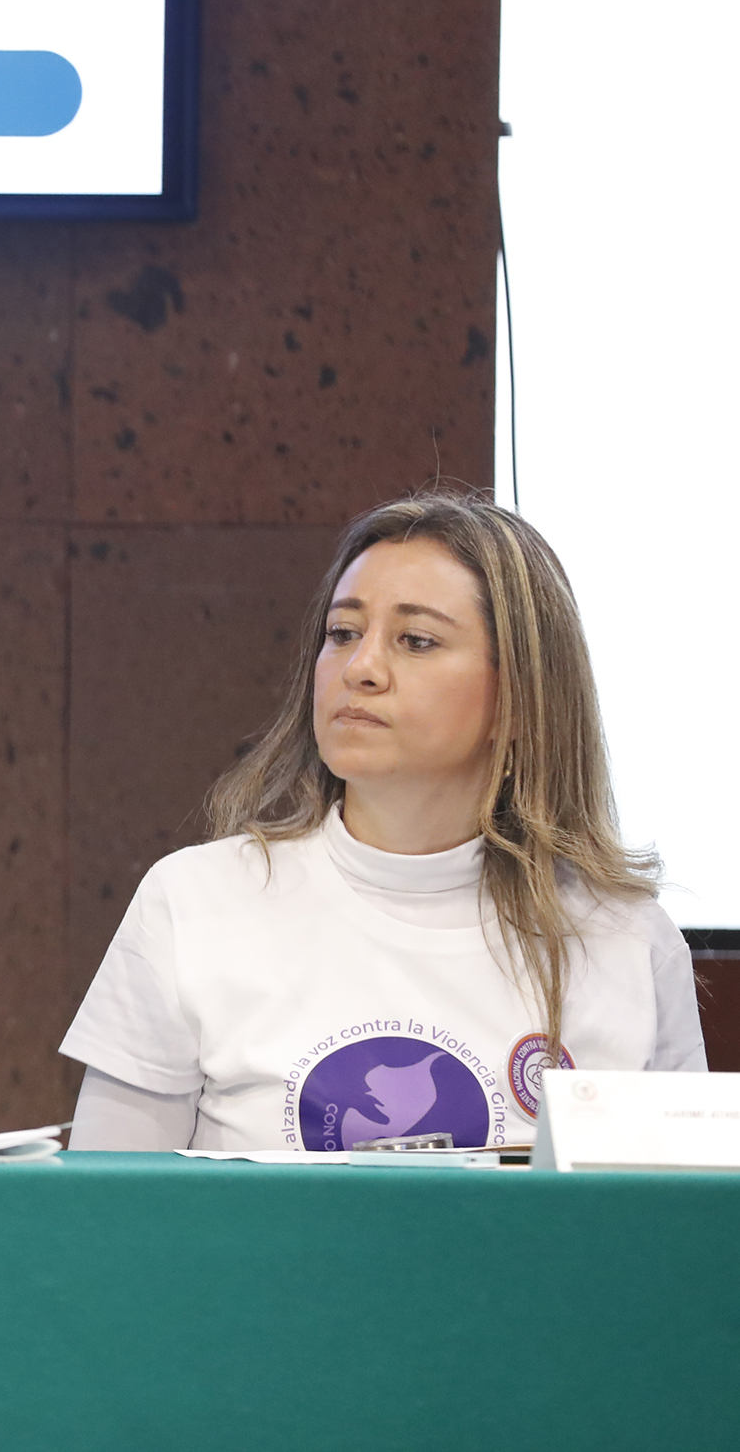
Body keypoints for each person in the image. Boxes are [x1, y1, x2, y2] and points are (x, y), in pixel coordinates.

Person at [61, 491, 705, 1152]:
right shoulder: (192, 903)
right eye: (343, 633)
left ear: (519, 698)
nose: (361, 668)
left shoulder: (629, 942)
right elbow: (107, 1206)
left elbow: (674, 1211)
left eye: (416, 641)